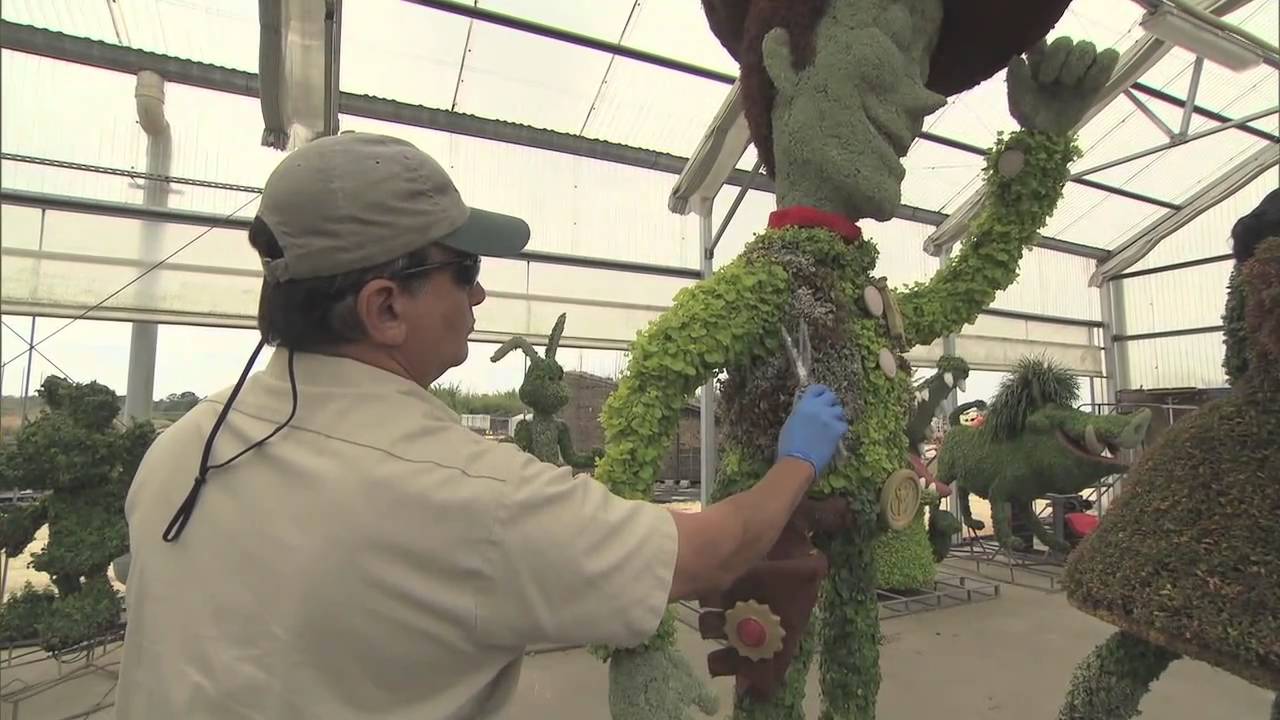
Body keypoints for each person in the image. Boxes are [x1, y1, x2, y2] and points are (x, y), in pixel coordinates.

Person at [115, 132, 850, 719]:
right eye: (463, 270)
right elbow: (711, 556)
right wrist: (798, 461)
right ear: (385, 309)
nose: (482, 292)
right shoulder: (469, 495)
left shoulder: (179, 448)